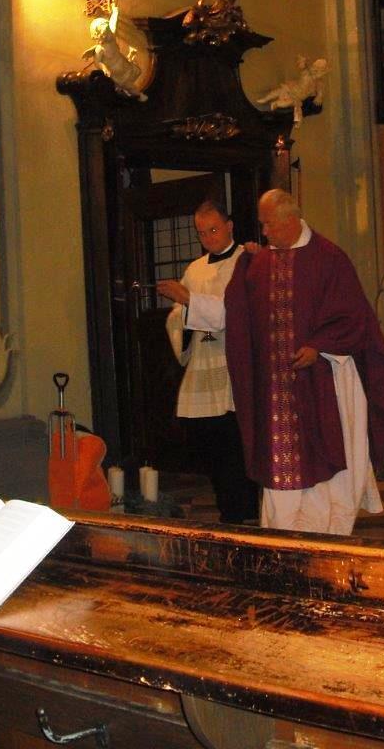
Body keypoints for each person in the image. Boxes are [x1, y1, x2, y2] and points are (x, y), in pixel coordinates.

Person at [223, 189, 384, 536]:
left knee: (325, 456)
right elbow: (241, 314)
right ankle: (281, 535)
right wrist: (243, 267)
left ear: (290, 220)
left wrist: (320, 346)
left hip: (323, 382)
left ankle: (329, 533)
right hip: (276, 391)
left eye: (269, 224)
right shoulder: (259, 264)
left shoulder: (329, 258)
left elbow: (353, 316)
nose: (264, 232)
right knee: (279, 463)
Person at [155, 201, 258, 524]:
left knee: (236, 450)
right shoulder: (195, 269)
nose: (208, 238)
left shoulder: (248, 261)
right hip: (202, 370)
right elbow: (176, 318)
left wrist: (188, 299)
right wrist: (185, 313)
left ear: (229, 226)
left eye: (213, 229)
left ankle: (242, 514)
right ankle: (228, 509)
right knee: (211, 448)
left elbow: (235, 313)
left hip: (232, 372)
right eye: (201, 233)